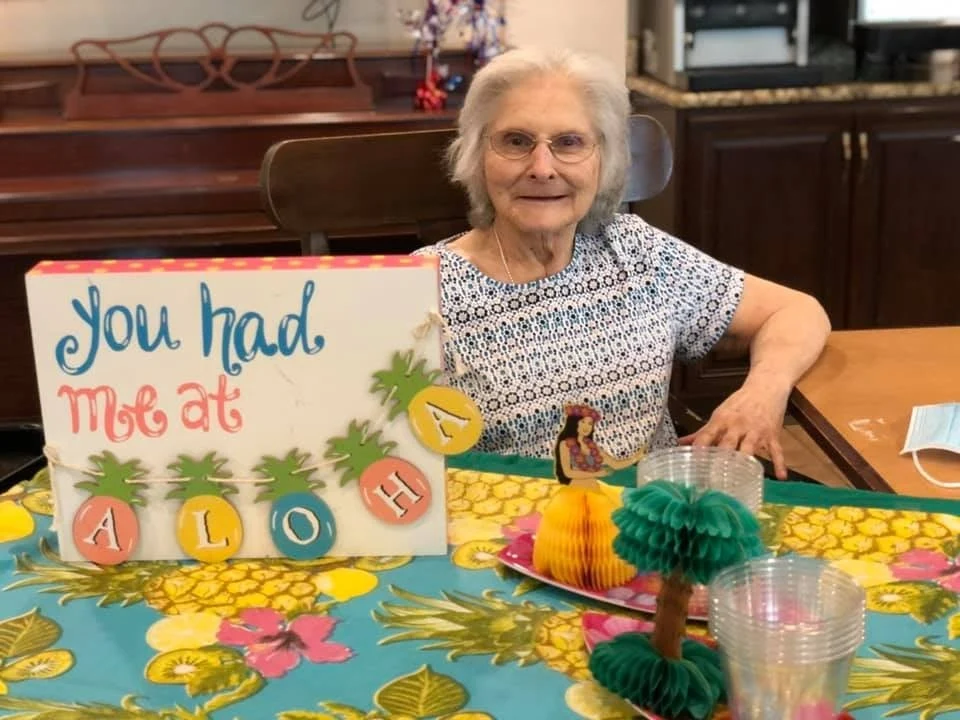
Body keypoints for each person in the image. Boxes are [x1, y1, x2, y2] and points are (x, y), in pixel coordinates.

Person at [413, 46, 831, 481]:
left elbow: (798, 311)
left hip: (655, 524)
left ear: (603, 159)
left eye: (569, 142)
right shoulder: (421, 289)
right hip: (507, 536)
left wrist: (763, 392)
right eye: (516, 142)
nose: (542, 167)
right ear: (479, 156)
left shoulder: (636, 251)